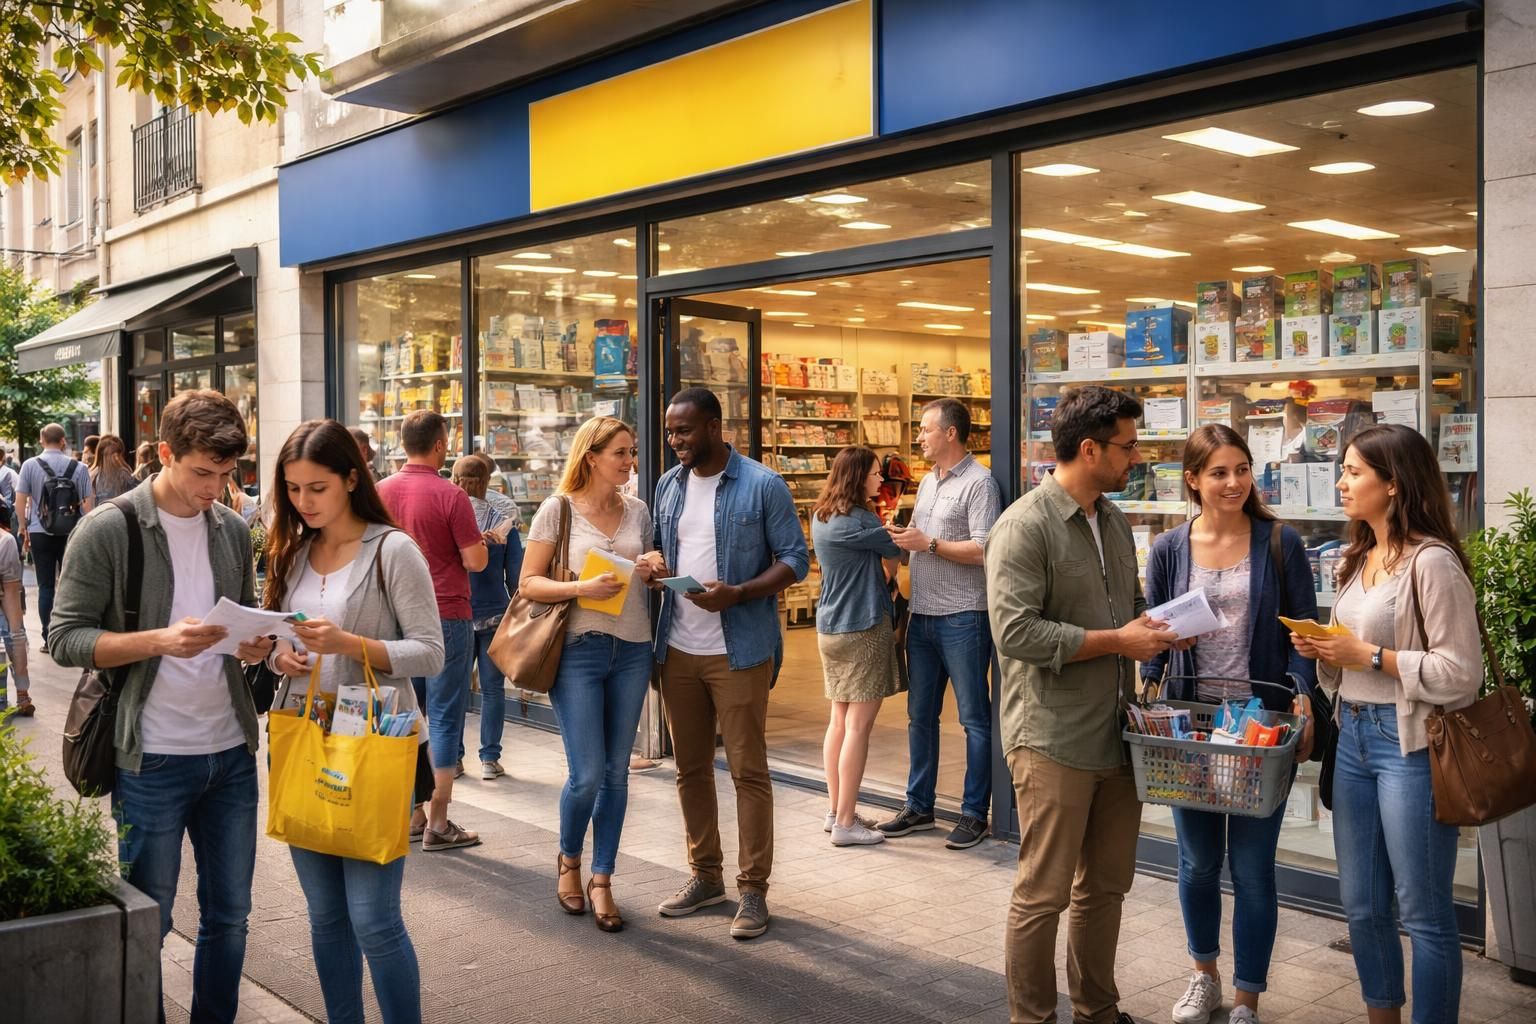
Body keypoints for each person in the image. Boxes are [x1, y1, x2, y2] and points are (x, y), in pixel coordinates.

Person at [49, 390, 267, 1024]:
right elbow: (65, 638)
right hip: (152, 758)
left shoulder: (229, 527)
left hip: (230, 752)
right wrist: (160, 641)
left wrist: (254, 645)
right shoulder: (109, 528)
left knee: (231, 916)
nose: (216, 488)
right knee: (152, 915)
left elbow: (237, 628)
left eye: (228, 475)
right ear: (165, 454)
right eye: (203, 472)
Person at [986, 385, 1176, 1024]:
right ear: (1089, 449)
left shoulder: (1113, 520)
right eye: (1127, 446)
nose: (1137, 456)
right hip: (1052, 736)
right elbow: (1015, 633)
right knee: (1042, 894)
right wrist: (1116, 640)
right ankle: (1032, 1016)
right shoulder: (1024, 525)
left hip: (1116, 734)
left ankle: (1097, 1009)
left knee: (1105, 888)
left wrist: (1145, 629)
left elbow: (1119, 613)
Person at [1290, 423, 1480, 1024]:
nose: (1341, 482)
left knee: (1422, 910)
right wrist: (1326, 654)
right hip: (1352, 738)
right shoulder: (1359, 555)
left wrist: (1370, 656)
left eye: (1353, 471)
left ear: (1393, 485)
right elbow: (1353, 659)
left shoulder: (1432, 562)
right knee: (1363, 906)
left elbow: (1461, 672)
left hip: (1411, 747)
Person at [262, 419, 444, 1024]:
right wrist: (275, 653)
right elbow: (278, 639)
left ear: (349, 479)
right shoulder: (290, 551)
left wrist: (349, 643)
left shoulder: (392, 549)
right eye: (292, 489)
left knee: (373, 918)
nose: (303, 502)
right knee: (325, 917)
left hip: (373, 749)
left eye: (316, 487)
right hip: (303, 740)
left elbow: (431, 652)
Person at [1141, 424, 1319, 1024]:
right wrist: (1157, 646)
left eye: (1242, 469)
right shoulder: (1169, 549)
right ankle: (1204, 977)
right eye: (1219, 472)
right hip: (1192, 725)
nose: (1234, 482)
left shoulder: (1279, 542)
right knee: (1196, 863)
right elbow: (1154, 641)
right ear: (1192, 479)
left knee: (1252, 868)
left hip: (1258, 728)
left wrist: (1300, 695)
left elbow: (1303, 634)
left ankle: (1247, 997)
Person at [651, 387, 809, 940]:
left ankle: (753, 890)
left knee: (748, 771)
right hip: (677, 650)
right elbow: (660, 550)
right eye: (671, 432)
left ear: (715, 426)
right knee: (689, 769)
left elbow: (796, 560)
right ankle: (705, 876)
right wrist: (653, 567)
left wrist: (738, 593)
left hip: (738, 650)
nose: (675, 442)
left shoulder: (763, 484)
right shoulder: (668, 485)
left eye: (685, 431)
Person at [519, 416, 658, 933]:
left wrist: (650, 566)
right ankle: (568, 860)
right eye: (621, 453)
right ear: (592, 456)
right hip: (576, 651)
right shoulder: (556, 511)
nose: (629, 462)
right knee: (587, 774)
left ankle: (603, 878)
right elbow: (529, 584)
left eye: (632, 451)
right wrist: (580, 588)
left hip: (632, 650)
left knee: (617, 774)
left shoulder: (638, 511)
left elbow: (641, 569)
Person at [877, 397, 1001, 849]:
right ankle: (919, 806)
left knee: (974, 719)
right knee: (919, 718)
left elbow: (986, 549)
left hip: (965, 616)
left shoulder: (980, 484)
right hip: (922, 614)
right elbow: (923, 543)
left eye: (927, 429)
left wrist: (927, 544)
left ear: (950, 433)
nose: (920, 437)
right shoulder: (927, 482)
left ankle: (974, 813)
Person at [376, 409, 487, 851]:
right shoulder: (450, 495)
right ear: (440, 445)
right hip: (447, 615)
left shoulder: (379, 491)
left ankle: (412, 814)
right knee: (443, 718)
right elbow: (475, 561)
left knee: (404, 715)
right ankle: (439, 822)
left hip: (393, 619)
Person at [811, 446, 903, 847]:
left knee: (839, 721)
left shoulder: (821, 516)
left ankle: (836, 811)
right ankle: (847, 823)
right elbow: (896, 551)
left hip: (830, 627)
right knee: (859, 727)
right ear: (857, 477)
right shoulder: (862, 520)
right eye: (875, 473)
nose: (881, 479)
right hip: (863, 627)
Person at [450, 455, 523, 780]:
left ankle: (454, 758)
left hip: (458, 613)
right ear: (487, 482)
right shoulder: (504, 520)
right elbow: (517, 575)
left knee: (456, 689)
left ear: (455, 479)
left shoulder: (449, 518)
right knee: (493, 690)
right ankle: (490, 759)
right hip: (495, 612)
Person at [17, 422, 95, 654]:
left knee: (46, 586)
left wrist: (23, 528)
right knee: (72, 583)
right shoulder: (79, 467)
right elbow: (88, 504)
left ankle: (48, 638)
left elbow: (20, 500)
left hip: (40, 532)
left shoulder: (30, 465)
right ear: (63, 441)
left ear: (42, 440)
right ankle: (72, 635)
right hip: (73, 532)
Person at [0, 508, 29, 716]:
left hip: (6, 589)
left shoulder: (6, 542)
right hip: (6, 589)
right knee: (14, 633)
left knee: (13, 633)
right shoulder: (6, 541)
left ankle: (17, 694)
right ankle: (21, 695)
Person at [91, 434, 140, 503]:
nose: (118, 457)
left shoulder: (92, 475)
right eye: (118, 454)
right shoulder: (123, 474)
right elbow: (139, 492)